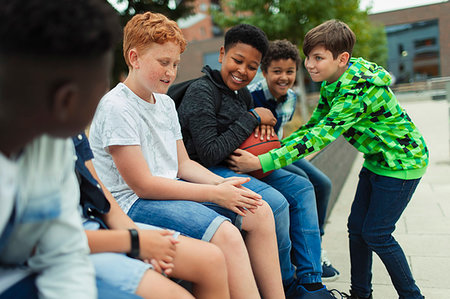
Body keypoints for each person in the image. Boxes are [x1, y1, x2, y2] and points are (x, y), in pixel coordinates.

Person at [88, 12, 284, 299]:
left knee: (258, 209)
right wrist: (213, 194)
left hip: (168, 191)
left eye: (176, 63)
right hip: (133, 203)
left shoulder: (166, 103)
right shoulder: (117, 107)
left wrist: (221, 185)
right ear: (134, 58)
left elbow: (183, 164)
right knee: (226, 234)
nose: (171, 72)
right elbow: (142, 185)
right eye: (164, 63)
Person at [228, 19, 428, 299]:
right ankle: (361, 294)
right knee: (356, 229)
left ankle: (413, 296)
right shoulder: (333, 82)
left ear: (341, 58)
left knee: (377, 234)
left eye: (318, 58)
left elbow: (322, 135)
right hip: (377, 162)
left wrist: (264, 161)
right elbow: (313, 125)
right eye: (308, 56)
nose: (309, 64)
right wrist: (277, 147)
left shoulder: (355, 90)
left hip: (402, 165)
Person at [177, 24, 338, 299]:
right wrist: (252, 118)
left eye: (251, 66)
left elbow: (251, 130)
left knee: (302, 187)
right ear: (221, 54)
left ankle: (310, 283)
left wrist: (261, 129)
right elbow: (208, 152)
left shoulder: (244, 94)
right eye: (237, 61)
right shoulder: (201, 92)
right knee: (275, 203)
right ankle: (286, 284)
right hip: (206, 169)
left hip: (240, 162)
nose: (242, 71)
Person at [0, 0, 125, 298]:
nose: (105, 93)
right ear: (66, 101)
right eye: (103, 82)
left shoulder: (52, 143)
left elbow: (63, 253)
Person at [73, 132, 230, 299]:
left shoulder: (71, 132)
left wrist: (136, 235)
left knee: (211, 259)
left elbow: (101, 195)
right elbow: (51, 241)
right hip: (74, 245)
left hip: (97, 226)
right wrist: (134, 241)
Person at [248, 39, 339, 281]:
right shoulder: (250, 97)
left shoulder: (291, 97)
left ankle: (315, 247)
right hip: (258, 157)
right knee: (301, 181)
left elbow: (283, 135)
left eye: (289, 71)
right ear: (265, 71)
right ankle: (302, 254)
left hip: (278, 151)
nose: (283, 77)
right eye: (276, 71)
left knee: (323, 183)